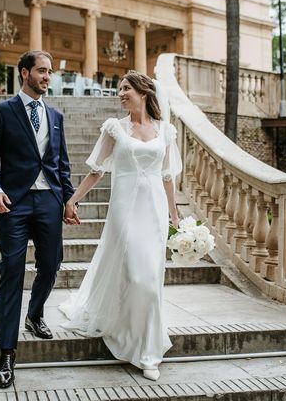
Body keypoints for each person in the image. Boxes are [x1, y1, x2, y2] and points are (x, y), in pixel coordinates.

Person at [60, 70, 182, 382]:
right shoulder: (115, 129)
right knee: (136, 275)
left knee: (151, 279)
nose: (121, 93)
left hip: (153, 209)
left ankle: (148, 350)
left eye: (126, 88)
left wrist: (174, 214)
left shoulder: (165, 131)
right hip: (125, 209)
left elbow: (167, 176)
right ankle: (130, 336)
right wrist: (73, 200)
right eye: (120, 89)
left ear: (144, 92)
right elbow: (96, 171)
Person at [0, 50, 79, 389]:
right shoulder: (2, 111)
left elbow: (62, 163)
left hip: (49, 201)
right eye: (41, 71)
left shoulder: (55, 116)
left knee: (51, 265)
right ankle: (7, 352)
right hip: (14, 203)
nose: (47, 77)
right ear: (24, 73)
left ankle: (35, 313)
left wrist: (68, 199)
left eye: (49, 72)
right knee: (12, 271)